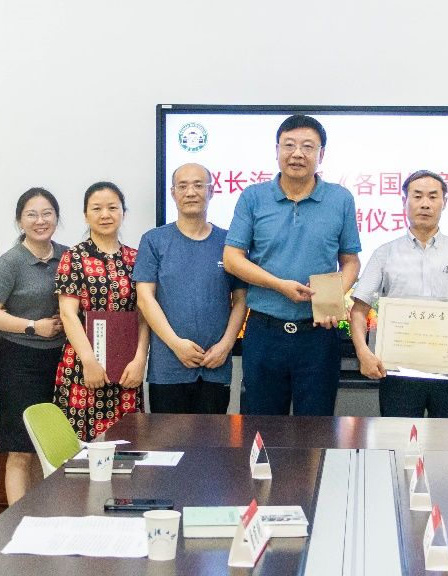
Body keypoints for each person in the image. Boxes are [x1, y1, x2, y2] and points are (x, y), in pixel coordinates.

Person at [223, 114, 361, 416]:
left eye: (308, 146)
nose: (297, 153)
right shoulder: (253, 197)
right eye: (289, 145)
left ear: (321, 155)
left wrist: (332, 297)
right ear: (276, 150)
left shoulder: (340, 199)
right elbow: (232, 258)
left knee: (316, 427)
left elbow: (351, 262)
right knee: (261, 427)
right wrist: (279, 286)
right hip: (264, 331)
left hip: (318, 334)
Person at [351, 170, 448, 417]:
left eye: (433, 196)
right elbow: (359, 310)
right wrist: (363, 353)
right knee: (398, 437)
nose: (425, 204)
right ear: (404, 201)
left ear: (444, 202)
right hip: (398, 374)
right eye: (417, 196)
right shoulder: (385, 253)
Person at [0, 188, 67, 504]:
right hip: (20, 361)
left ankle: (47, 518)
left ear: (56, 218)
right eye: (31, 214)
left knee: (53, 448)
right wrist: (33, 326)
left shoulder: (68, 257)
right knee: (21, 450)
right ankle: (19, 523)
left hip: (61, 362)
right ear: (20, 221)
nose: (40, 221)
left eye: (47, 214)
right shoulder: (11, 262)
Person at [135, 163, 248, 414]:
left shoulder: (228, 242)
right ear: (173, 193)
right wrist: (176, 344)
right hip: (168, 367)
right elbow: (144, 298)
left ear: (211, 191)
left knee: (213, 438)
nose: (191, 192)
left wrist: (226, 345)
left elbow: (241, 299)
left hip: (215, 365)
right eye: (183, 186)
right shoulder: (154, 240)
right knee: (166, 438)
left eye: (199, 185)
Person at [54, 182, 148, 440]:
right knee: (81, 449)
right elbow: (68, 314)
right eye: (97, 208)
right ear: (86, 215)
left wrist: (140, 360)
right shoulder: (73, 257)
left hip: (127, 366)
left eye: (112, 208)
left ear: (123, 212)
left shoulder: (136, 258)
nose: (105, 214)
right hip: (83, 366)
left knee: (127, 444)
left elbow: (143, 315)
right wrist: (89, 361)